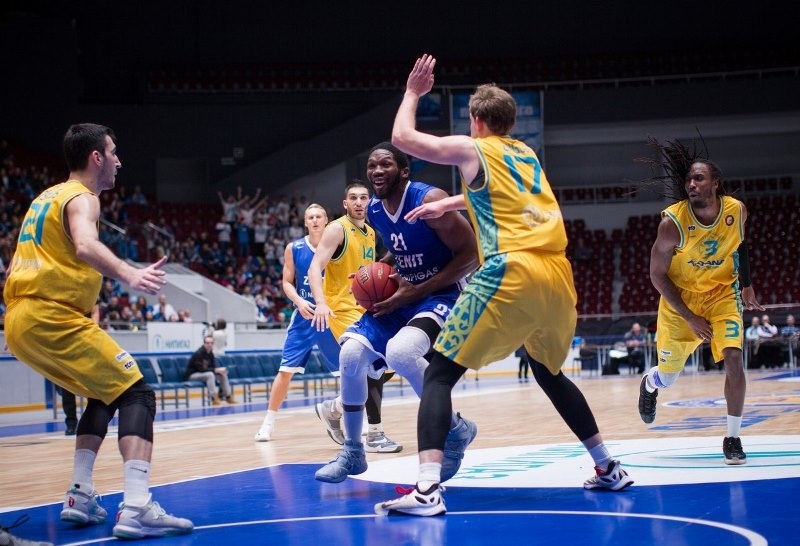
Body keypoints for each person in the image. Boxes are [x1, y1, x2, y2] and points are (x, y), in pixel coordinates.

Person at [375, 55, 634, 517]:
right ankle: (607, 465)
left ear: (475, 120)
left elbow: (402, 140)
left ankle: (427, 489)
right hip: (557, 276)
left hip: (510, 270)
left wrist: (413, 91)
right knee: (549, 373)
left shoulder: (474, 148)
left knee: (438, 374)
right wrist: (448, 205)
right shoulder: (526, 155)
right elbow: (502, 199)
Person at [2, 123, 192, 538]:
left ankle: (80, 494)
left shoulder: (44, 199)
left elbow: (18, 265)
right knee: (138, 394)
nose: (119, 161)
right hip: (51, 316)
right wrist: (129, 273)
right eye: (113, 152)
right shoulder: (83, 197)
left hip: (21, 319)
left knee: (104, 394)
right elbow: (85, 246)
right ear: (96, 157)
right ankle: (137, 506)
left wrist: (39, 320)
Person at [313, 142, 479, 483]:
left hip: (442, 293)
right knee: (350, 355)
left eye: (385, 164)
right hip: (403, 293)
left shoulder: (428, 201)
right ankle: (353, 451)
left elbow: (473, 253)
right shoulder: (375, 210)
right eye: (372, 165)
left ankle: (454, 429)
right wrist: (374, 272)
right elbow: (398, 250)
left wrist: (418, 290)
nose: (376, 170)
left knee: (402, 353)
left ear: (404, 171)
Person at [635, 135, 764, 466]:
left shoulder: (737, 211)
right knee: (669, 376)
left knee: (734, 359)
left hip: (722, 294)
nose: (691, 184)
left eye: (698, 178)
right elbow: (657, 276)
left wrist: (747, 284)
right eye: (689, 180)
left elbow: (741, 245)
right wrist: (689, 316)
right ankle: (650, 383)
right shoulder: (672, 224)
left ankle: (732, 438)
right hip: (681, 301)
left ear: (715, 183)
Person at [308, 182, 398, 451]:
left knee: (389, 362)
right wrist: (320, 303)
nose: (359, 202)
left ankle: (335, 407)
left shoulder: (369, 232)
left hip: (365, 307)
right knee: (371, 364)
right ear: (345, 203)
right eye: (353, 198)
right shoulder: (337, 229)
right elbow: (314, 268)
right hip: (340, 309)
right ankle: (375, 434)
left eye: (363, 198)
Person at [254, 204, 343, 441]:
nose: (314, 220)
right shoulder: (294, 248)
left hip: (331, 316)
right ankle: (268, 423)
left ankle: (357, 418)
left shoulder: (337, 246)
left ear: (326, 219)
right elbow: (286, 282)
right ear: (305, 222)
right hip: (304, 316)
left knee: (347, 371)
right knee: (285, 371)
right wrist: (299, 301)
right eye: (310, 217)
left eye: (318, 216)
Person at [184, 335, 234, 405]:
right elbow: (200, 369)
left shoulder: (211, 353)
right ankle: (214, 398)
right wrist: (215, 370)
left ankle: (228, 396)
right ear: (204, 344)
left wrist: (219, 371)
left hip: (204, 374)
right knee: (210, 375)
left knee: (223, 374)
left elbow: (213, 367)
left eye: (211, 343)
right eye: (207, 343)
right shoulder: (198, 353)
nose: (209, 345)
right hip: (192, 375)